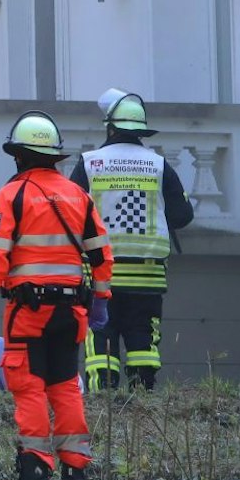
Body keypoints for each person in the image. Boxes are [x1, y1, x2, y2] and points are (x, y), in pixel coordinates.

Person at [0, 112, 114, 480]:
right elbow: (101, 253)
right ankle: (75, 468)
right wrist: (100, 299)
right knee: (66, 385)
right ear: (54, 157)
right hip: (72, 311)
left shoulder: (11, 194)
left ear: (18, 156)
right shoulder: (78, 196)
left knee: (29, 386)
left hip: (27, 311)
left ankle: (35, 465)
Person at [71, 88, 193, 390]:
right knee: (142, 338)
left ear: (109, 127)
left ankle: (103, 400)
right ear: (141, 131)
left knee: (100, 336)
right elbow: (182, 215)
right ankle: (144, 397)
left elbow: (69, 216)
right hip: (147, 276)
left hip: (101, 274)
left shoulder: (89, 163)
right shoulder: (159, 165)